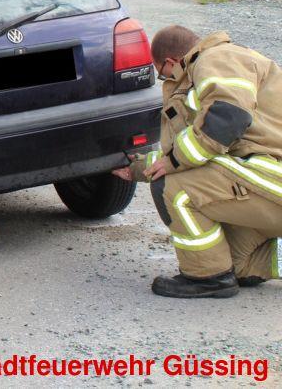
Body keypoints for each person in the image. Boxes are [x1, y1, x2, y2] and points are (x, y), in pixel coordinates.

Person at [113, 25, 282, 298]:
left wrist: (169, 165)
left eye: (162, 74)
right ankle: (225, 270)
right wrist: (139, 167)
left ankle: (207, 277)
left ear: (171, 61)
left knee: (171, 187)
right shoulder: (216, 67)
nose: (166, 80)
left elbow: (228, 119)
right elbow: (198, 148)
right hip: (265, 183)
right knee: (237, 263)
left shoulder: (218, 58)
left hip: (269, 180)